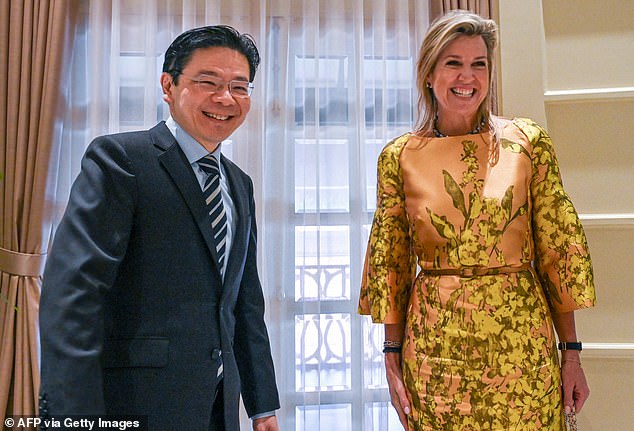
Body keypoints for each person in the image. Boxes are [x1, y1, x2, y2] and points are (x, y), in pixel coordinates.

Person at [359, 10, 596, 431]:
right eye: (453, 63)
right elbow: (389, 266)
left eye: (478, 64)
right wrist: (391, 357)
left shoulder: (526, 144)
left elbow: (559, 252)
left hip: (522, 345)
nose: (467, 76)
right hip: (435, 352)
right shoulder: (399, 158)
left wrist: (571, 352)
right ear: (429, 73)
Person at [39, 25, 280, 431]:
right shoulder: (120, 160)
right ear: (168, 85)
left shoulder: (239, 184)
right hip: (134, 404)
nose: (226, 99)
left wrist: (262, 405)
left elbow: (243, 304)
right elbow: (73, 297)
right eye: (208, 82)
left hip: (216, 407)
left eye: (240, 87)